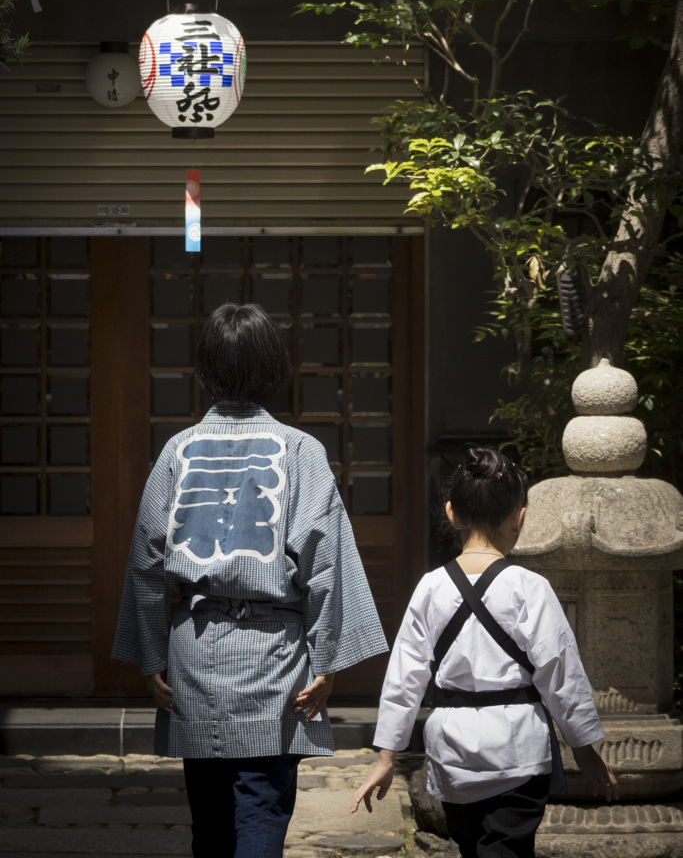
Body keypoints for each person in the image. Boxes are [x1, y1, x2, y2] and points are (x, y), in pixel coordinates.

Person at [112, 302, 387, 858]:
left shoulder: (176, 451)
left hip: (196, 654)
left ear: (205, 369)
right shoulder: (301, 451)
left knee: (208, 819)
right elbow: (326, 562)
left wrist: (150, 660)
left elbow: (146, 563)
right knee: (262, 808)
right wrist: (327, 661)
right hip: (273, 657)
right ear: (272, 368)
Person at [351, 443, 618, 858]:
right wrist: (583, 749)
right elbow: (561, 674)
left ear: (451, 513)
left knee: (471, 848)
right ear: (520, 517)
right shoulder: (531, 588)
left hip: (452, 751)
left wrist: (387, 755)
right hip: (517, 748)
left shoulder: (430, 587)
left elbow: (404, 677)